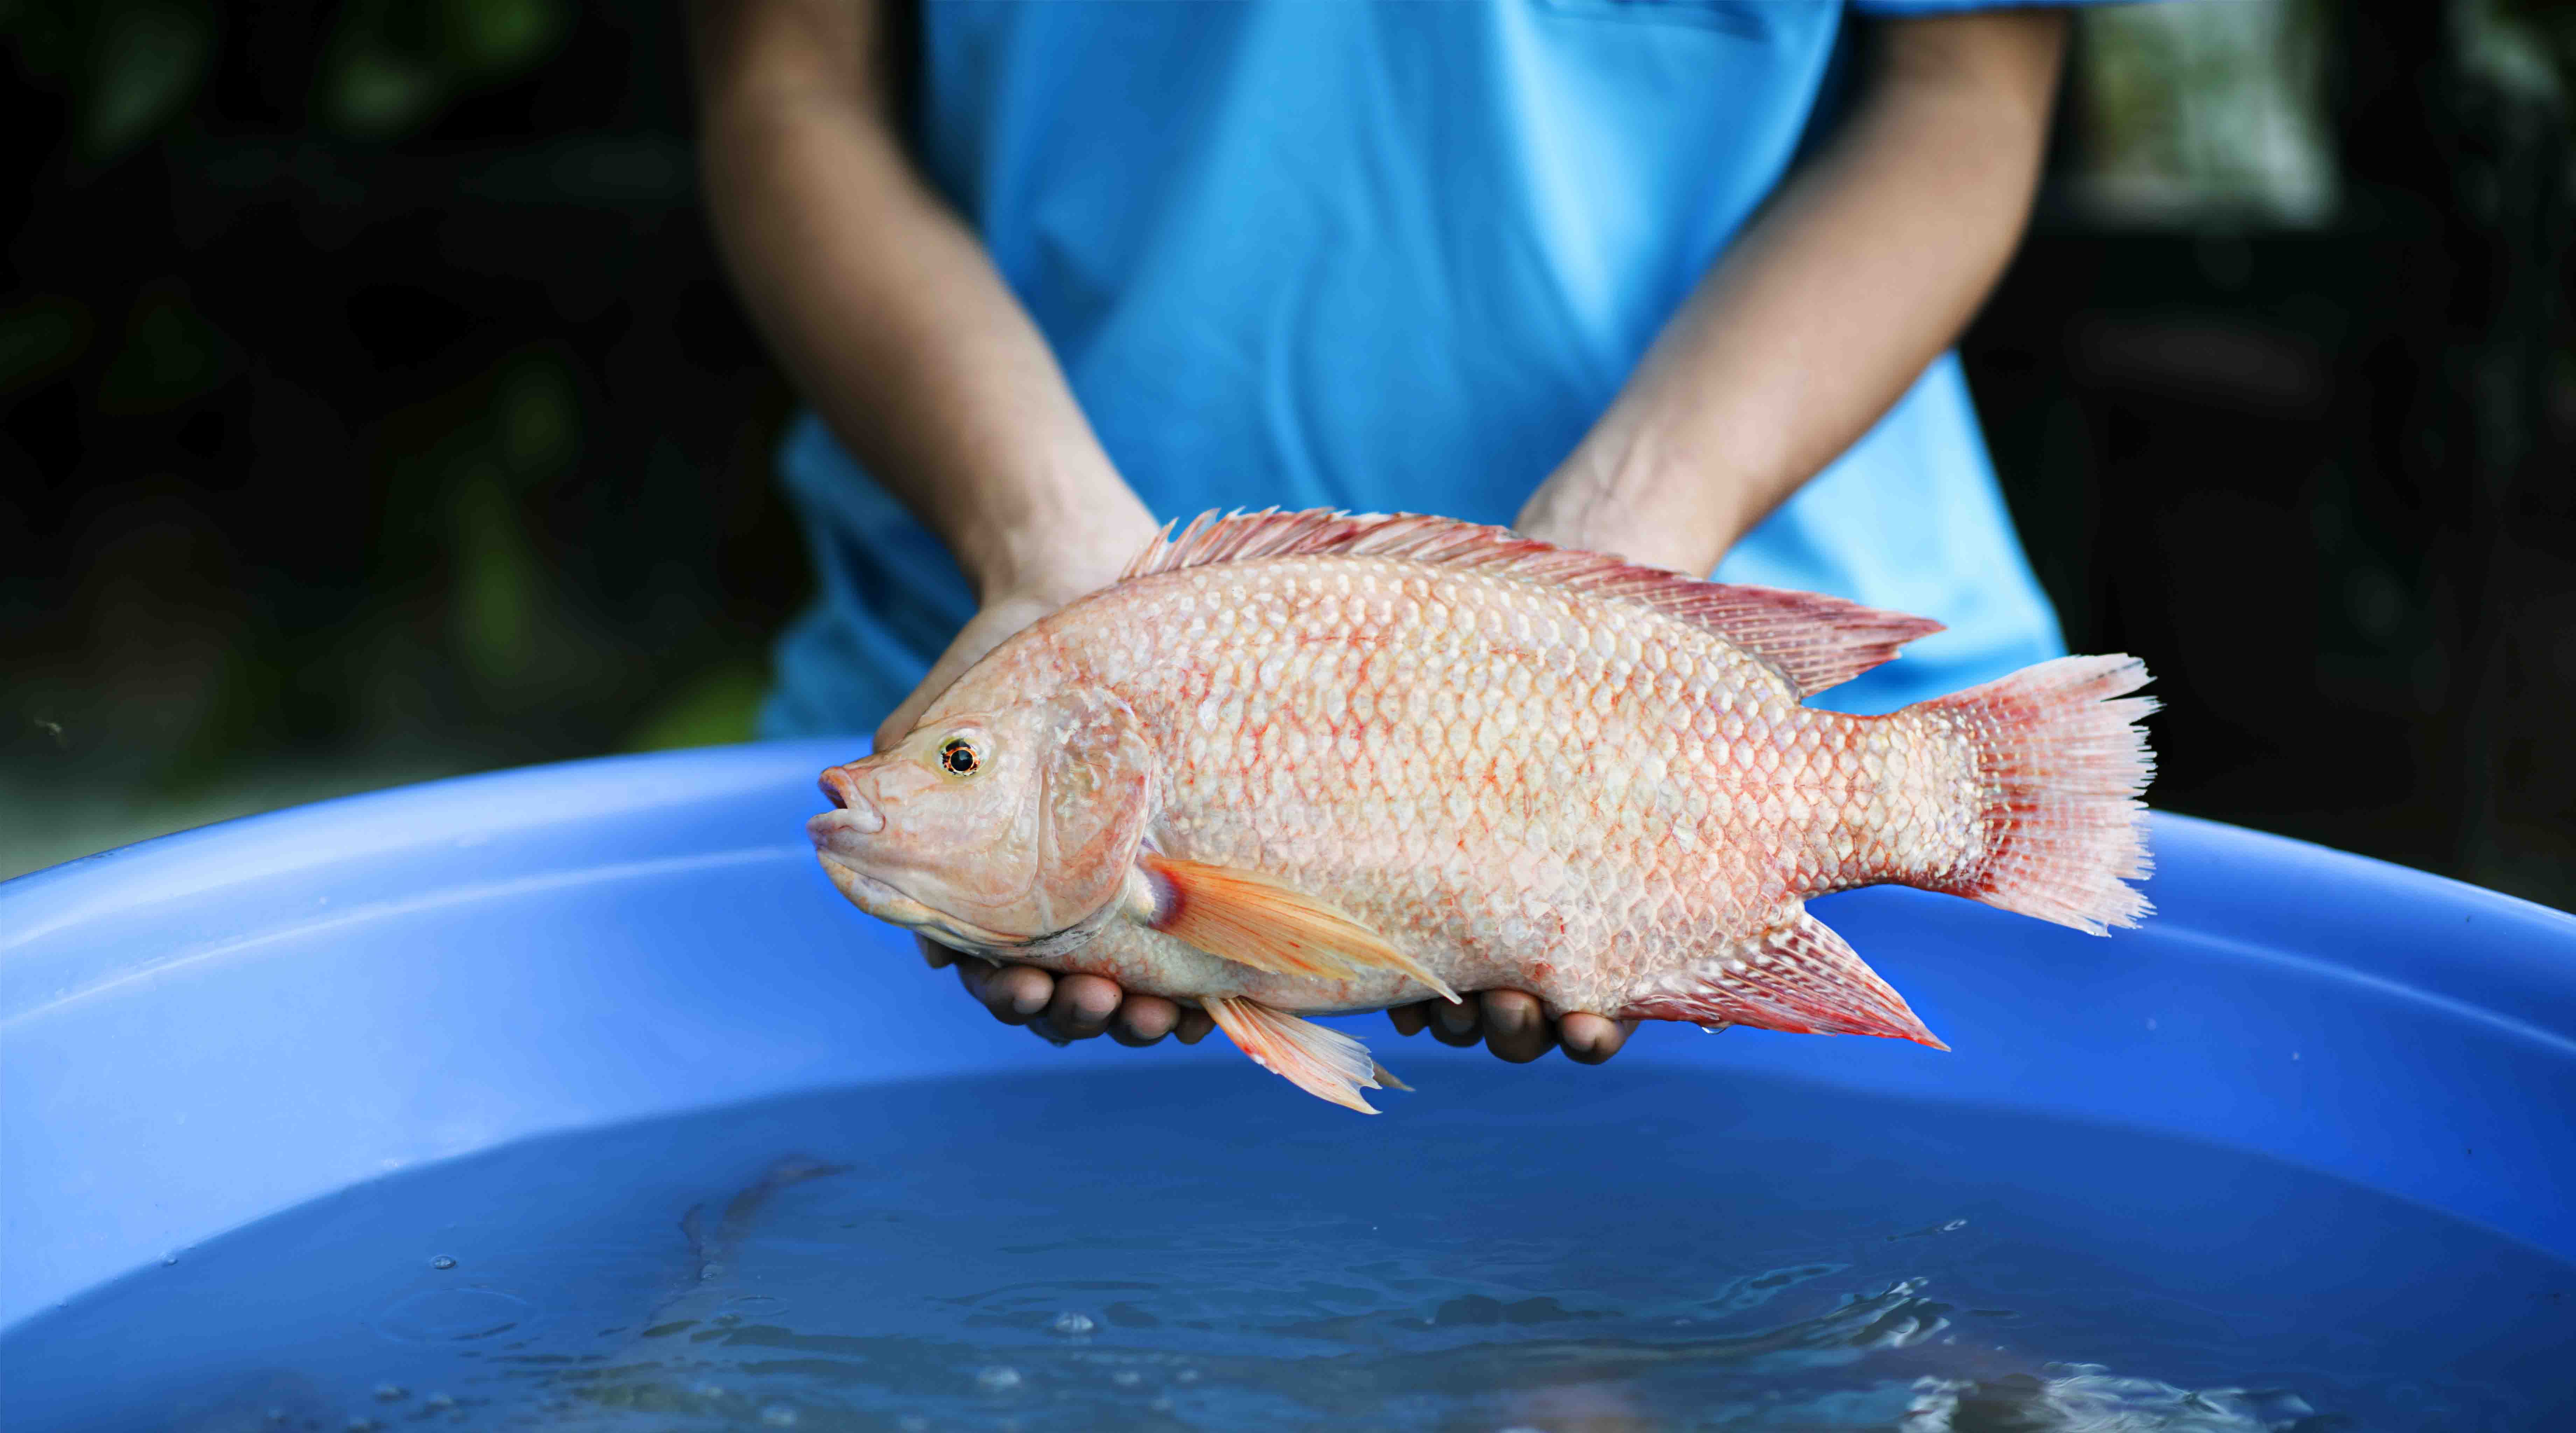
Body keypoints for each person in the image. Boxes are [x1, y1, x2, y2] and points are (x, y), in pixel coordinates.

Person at [692, 0, 2074, 1067]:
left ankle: (1935, 798)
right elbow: (784, 80)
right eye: (961, 758)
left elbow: (1965, 89)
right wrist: (1029, 526)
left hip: (1779, 619)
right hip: (967, 586)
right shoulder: (1049, 691)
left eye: (960, 758)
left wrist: (1637, 548)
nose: (894, 783)